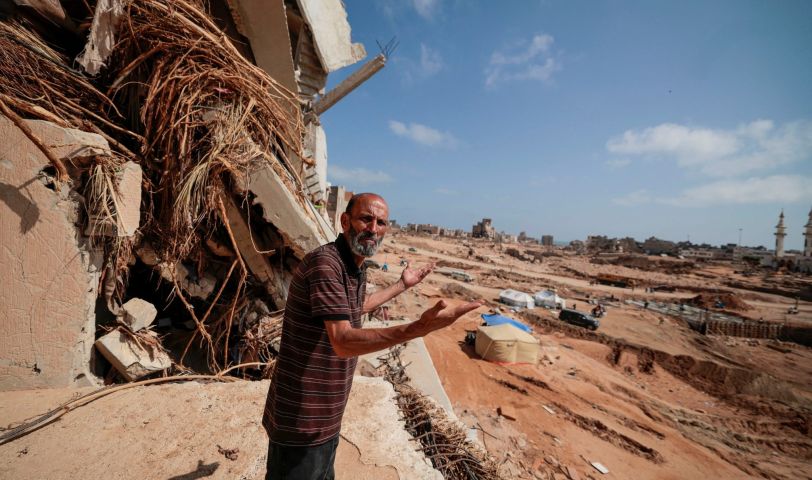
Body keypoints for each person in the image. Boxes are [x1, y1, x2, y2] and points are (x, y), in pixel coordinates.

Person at [263, 193, 481, 479]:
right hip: (302, 418)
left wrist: (401, 285)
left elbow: (354, 308)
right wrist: (418, 328)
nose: (373, 228)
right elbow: (342, 341)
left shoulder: (354, 265)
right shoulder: (326, 265)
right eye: (366, 219)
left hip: (326, 416)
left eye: (381, 223)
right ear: (345, 221)